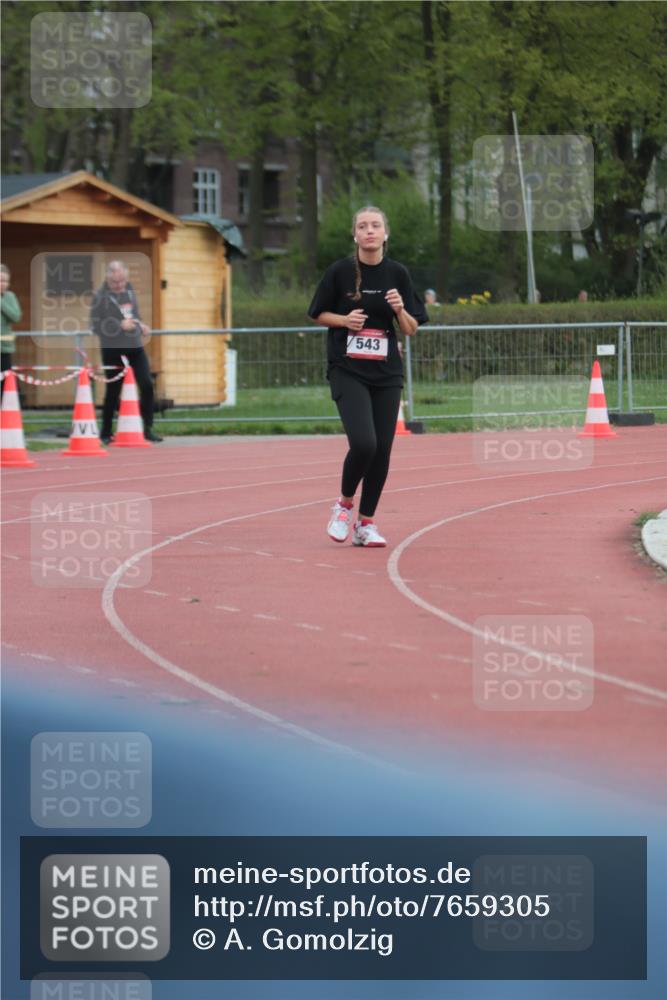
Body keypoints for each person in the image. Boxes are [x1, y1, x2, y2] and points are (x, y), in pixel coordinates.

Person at [308, 205, 428, 547]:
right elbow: (316, 313)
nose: (370, 231)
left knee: (383, 451)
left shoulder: (398, 274)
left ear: (385, 234)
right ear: (355, 235)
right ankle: (344, 505)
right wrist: (345, 321)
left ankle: (366, 524)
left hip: (386, 372)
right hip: (347, 369)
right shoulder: (340, 272)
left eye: (376, 225)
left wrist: (400, 309)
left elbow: (412, 329)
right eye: (363, 226)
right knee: (364, 443)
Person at [90, 260, 162, 443]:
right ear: (108, 278)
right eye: (115, 282)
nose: (119, 285)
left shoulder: (130, 292)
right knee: (113, 391)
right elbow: (95, 325)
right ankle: (106, 432)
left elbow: (134, 316)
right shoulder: (99, 297)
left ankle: (147, 428)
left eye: (122, 281)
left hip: (135, 347)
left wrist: (141, 325)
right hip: (112, 349)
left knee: (146, 385)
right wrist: (118, 325)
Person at [1, 264, 22, 396]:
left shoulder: (10, 297)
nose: (3, 284)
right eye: (0, 280)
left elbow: (16, 316)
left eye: (5, 281)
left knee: (5, 383)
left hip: (4, 348)